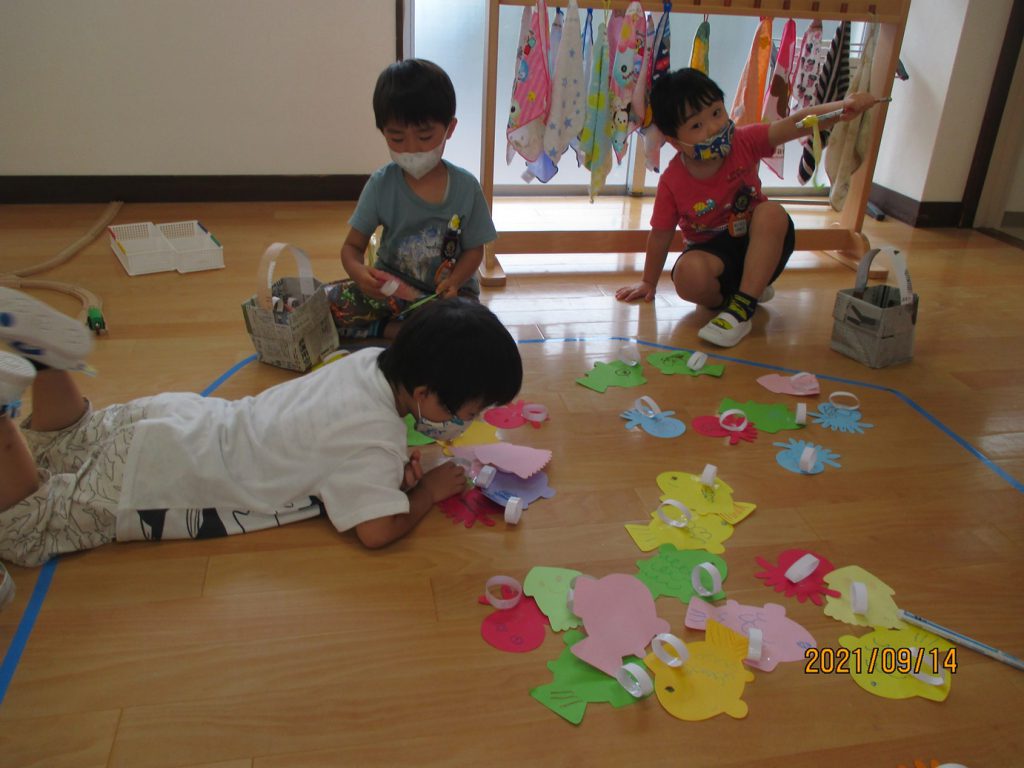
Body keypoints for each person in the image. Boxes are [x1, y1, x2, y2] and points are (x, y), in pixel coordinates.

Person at [0, 287, 523, 567]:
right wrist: (427, 491)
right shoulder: (376, 444)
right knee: (26, 528)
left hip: (178, 418)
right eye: (470, 411)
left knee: (70, 438)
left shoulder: (365, 363)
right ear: (425, 395)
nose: (468, 423)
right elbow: (376, 531)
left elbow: (329, 441)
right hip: (159, 476)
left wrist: (387, 474)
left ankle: (48, 359)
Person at [615, 68, 881, 347]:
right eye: (696, 126)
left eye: (716, 113)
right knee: (687, 276)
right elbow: (660, 235)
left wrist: (842, 108)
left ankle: (742, 306)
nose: (713, 127)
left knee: (771, 213)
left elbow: (796, 123)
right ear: (673, 141)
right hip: (713, 256)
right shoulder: (672, 181)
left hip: (762, 243)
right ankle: (743, 294)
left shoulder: (744, 141)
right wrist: (648, 282)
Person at [326, 58, 497, 340]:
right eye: (397, 139)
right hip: (391, 290)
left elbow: (473, 251)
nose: (412, 148)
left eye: (425, 136)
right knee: (331, 305)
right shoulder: (381, 184)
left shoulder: (466, 188)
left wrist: (455, 281)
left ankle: (395, 331)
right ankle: (398, 330)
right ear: (383, 132)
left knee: (471, 326)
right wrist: (360, 274)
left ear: (450, 128)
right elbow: (352, 247)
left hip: (448, 295)